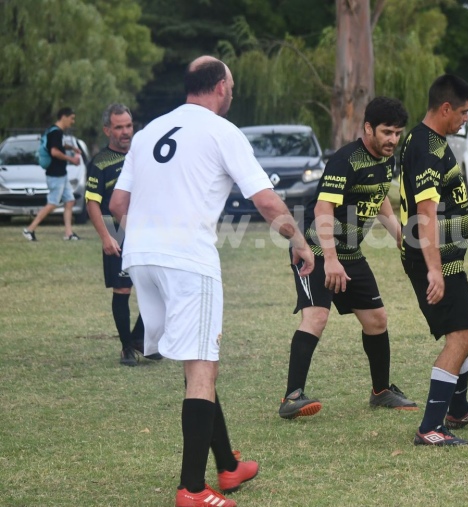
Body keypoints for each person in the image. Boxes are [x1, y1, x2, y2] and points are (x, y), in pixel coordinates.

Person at [109, 56, 314, 507]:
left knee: (195, 359)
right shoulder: (222, 131)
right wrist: (299, 240)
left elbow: (118, 202)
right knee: (202, 365)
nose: (233, 92)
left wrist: (148, 236)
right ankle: (193, 490)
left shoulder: (147, 133)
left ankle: (227, 465)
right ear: (220, 87)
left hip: (141, 256)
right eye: (233, 85)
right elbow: (264, 200)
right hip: (186, 258)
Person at [278, 96, 418, 419]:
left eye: (397, 133)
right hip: (315, 249)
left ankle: (381, 391)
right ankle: (291, 397)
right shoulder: (346, 160)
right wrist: (330, 258)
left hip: (349, 252)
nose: (392, 140)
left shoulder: (387, 161)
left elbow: (380, 198)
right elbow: (322, 208)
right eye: (386, 132)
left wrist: (400, 236)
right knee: (316, 317)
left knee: (376, 319)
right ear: (368, 128)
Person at [399, 74, 468, 446]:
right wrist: (435, 271)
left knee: (466, 322)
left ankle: (457, 408)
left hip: (441, 260)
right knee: (461, 334)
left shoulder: (427, 140)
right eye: (463, 113)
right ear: (445, 108)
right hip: (435, 262)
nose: (464, 120)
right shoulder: (427, 148)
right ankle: (431, 427)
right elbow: (425, 214)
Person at [85, 103, 162, 366]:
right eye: (119, 127)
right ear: (107, 130)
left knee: (156, 286)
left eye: (128, 125)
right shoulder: (101, 162)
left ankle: (140, 338)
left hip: (146, 230)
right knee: (122, 288)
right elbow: (92, 202)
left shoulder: (143, 154)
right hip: (117, 232)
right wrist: (106, 237)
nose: (125, 132)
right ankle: (126, 347)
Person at [23, 107, 83, 241]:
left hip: (61, 173)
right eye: (71, 118)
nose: (72, 122)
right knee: (52, 203)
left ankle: (69, 233)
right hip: (55, 174)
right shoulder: (56, 133)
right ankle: (29, 229)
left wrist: (72, 148)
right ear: (64, 117)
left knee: (70, 201)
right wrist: (71, 159)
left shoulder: (54, 131)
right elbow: (55, 152)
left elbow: (60, 145)